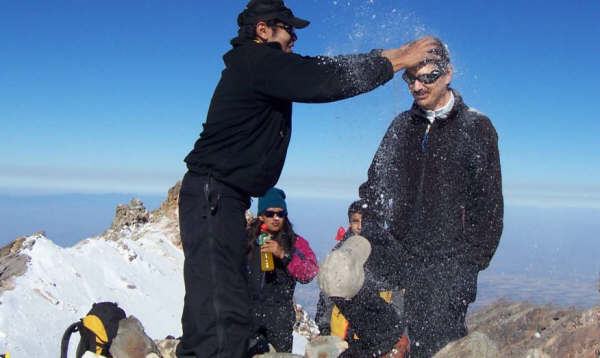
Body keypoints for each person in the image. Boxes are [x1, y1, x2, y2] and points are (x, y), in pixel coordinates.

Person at [176, 0, 439, 356]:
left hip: (217, 198)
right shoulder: (257, 62)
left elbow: (316, 67)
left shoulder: (259, 67)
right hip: (215, 196)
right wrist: (395, 62)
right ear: (263, 30)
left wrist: (394, 54)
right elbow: (320, 79)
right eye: (288, 28)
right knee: (223, 313)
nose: (295, 36)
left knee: (215, 303)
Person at [325, 38, 504, 358]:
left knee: (432, 346)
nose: (417, 86)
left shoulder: (476, 127)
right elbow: (373, 185)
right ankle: (388, 337)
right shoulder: (401, 126)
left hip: (445, 262)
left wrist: (470, 266)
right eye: (410, 78)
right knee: (335, 275)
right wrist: (365, 234)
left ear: (448, 74)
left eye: (428, 77)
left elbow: (488, 205)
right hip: (395, 248)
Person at [246, 187, 318, 354]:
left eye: (281, 214)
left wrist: (284, 255)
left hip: (279, 321)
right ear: (261, 215)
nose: (276, 218)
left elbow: (310, 271)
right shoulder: (247, 239)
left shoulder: (295, 242)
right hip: (248, 317)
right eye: (270, 214)